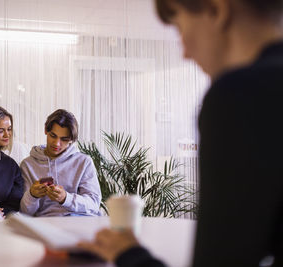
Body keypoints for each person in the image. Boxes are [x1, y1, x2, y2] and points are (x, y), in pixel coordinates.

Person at [78, 0, 283, 266]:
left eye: (180, 29)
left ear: (217, 10)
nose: (184, 52)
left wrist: (128, 253)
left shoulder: (241, 94)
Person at [20, 109, 101, 217]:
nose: (57, 143)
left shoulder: (84, 162)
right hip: (45, 224)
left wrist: (66, 198)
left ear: (71, 140)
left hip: (80, 221)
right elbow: (25, 213)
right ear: (46, 131)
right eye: (53, 136)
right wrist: (32, 195)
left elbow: (94, 204)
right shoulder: (28, 165)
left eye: (64, 139)